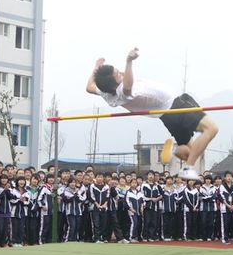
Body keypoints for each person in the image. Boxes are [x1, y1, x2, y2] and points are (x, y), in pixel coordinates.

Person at [86, 48, 218, 180]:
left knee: (192, 153)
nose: (121, 72)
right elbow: (127, 87)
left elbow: (89, 87)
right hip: (176, 105)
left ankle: (173, 150)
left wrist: (96, 69)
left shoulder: (107, 93)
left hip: (166, 116)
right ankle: (188, 168)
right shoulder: (124, 90)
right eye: (118, 74)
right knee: (211, 129)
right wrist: (129, 61)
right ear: (115, 84)